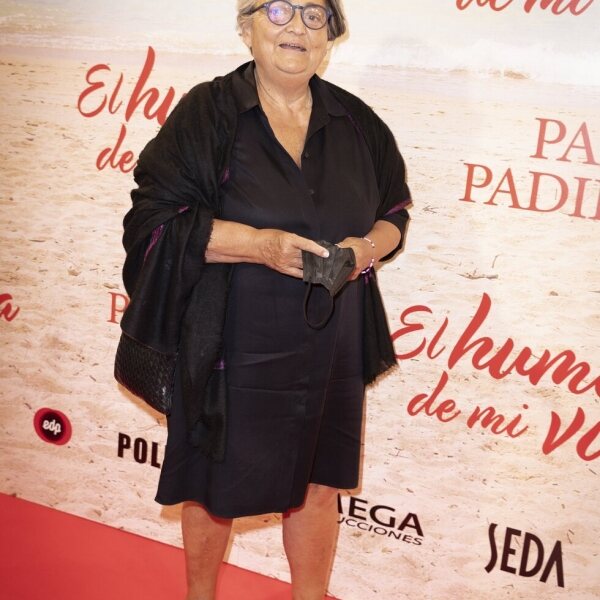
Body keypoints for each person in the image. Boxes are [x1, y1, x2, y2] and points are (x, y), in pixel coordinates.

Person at [120, 1, 411, 598]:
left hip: (331, 342)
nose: (297, 26)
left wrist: (363, 250)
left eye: (314, 14)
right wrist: (260, 246)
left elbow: (394, 215)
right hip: (229, 339)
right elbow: (152, 219)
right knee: (210, 483)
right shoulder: (206, 112)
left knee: (319, 484)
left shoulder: (357, 121)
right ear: (247, 25)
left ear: (331, 36)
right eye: (277, 9)